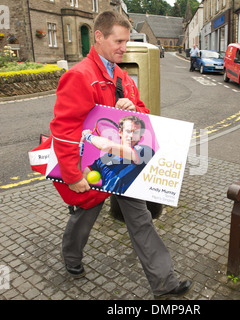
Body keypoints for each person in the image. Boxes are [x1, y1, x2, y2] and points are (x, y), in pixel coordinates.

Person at [49, 10, 193, 300]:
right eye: (118, 41)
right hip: (94, 166)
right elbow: (64, 130)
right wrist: (72, 175)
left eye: (126, 42)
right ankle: (71, 257)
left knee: (141, 221)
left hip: (125, 164)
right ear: (99, 37)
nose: (123, 47)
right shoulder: (79, 77)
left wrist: (134, 108)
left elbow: (144, 115)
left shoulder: (123, 76)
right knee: (84, 216)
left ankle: (164, 283)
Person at [82, 115, 155, 194]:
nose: (131, 136)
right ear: (120, 132)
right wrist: (81, 145)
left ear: (140, 137)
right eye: (128, 131)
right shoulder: (103, 160)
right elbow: (83, 175)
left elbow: (106, 146)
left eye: (136, 133)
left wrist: (88, 136)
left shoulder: (145, 152)